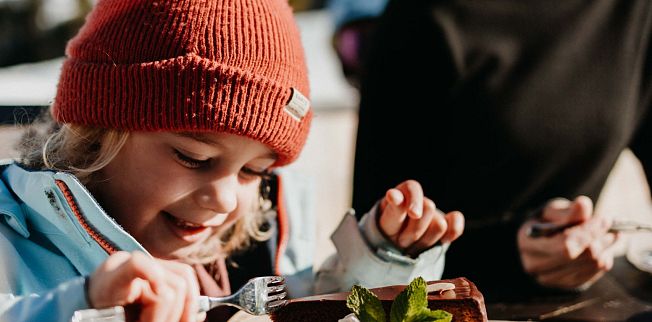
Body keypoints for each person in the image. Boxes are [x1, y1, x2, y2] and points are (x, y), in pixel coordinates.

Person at [0, 0, 465, 321]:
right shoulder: (13, 244)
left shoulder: (244, 264)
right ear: (98, 135)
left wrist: (384, 256)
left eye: (253, 172)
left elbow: (315, 302)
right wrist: (89, 307)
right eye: (193, 157)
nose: (225, 199)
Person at [330, 0, 652, 300]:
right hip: (446, 307)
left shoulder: (634, 12)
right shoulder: (423, 15)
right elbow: (370, 252)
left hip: (582, 303)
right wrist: (511, 254)